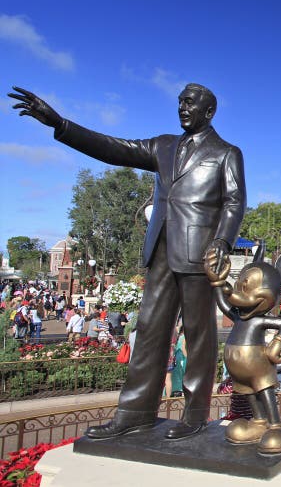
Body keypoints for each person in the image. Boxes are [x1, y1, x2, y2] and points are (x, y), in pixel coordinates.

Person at [10, 84, 246, 440]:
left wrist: (222, 241)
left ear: (209, 111)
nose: (182, 107)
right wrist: (59, 123)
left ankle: (195, 415)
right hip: (161, 250)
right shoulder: (163, 145)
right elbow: (114, 149)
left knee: (199, 335)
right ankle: (135, 413)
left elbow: (234, 201)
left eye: (190, 103)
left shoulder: (226, 152)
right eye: (180, 101)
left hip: (199, 252)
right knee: (150, 330)